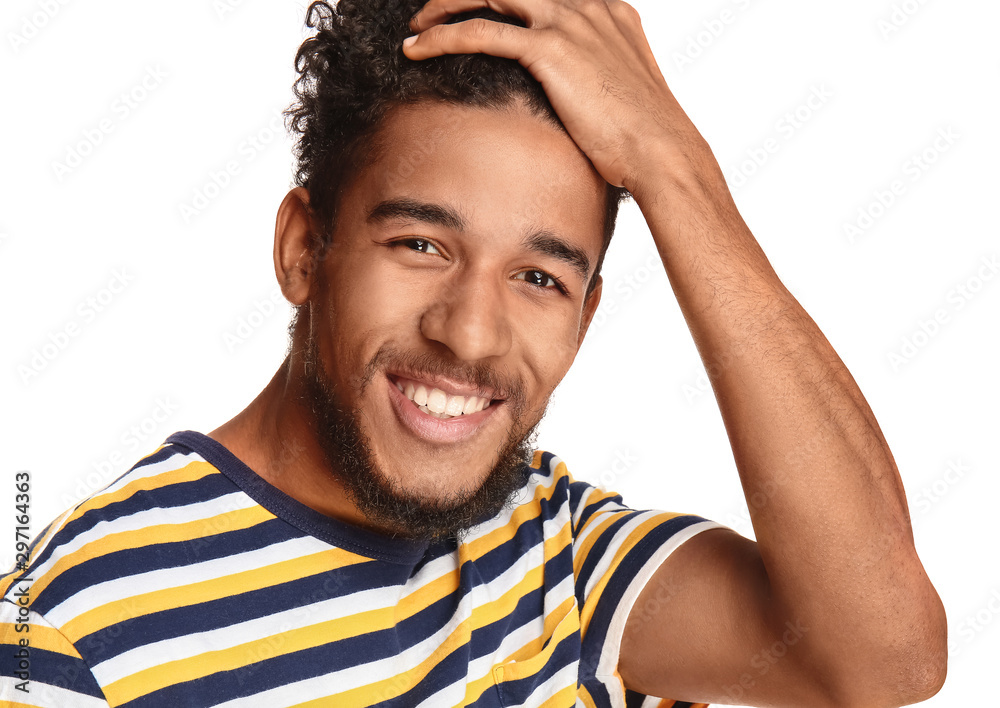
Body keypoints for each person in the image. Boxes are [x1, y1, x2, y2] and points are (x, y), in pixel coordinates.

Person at [1, 0, 946, 706]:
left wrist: (677, 171)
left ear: (585, 316)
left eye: (540, 276)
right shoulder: (67, 634)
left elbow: (888, 656)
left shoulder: (558, 554)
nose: (471, 332)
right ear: (304, 250)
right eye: (421, 245)